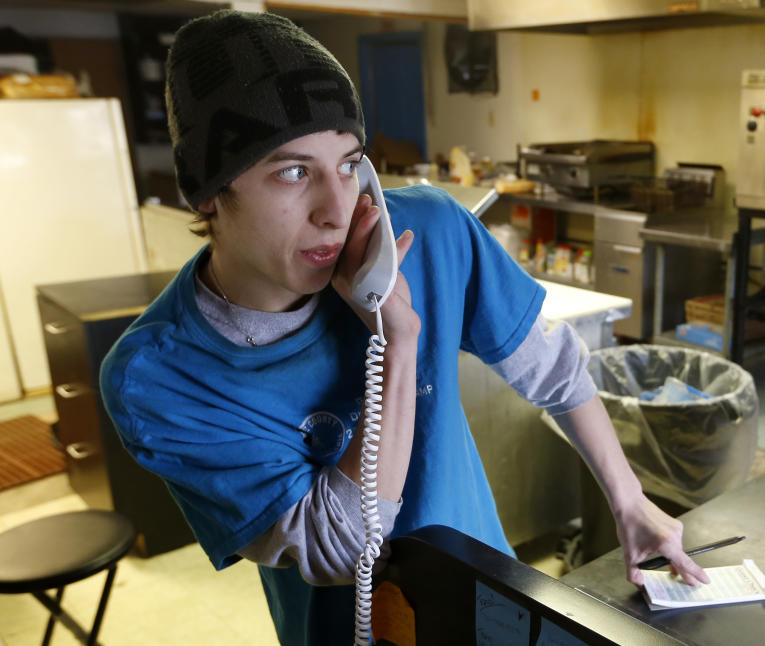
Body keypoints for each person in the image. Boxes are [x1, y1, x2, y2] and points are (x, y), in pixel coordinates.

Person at [100, 9, 709, 645]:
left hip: (494, 603)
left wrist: (628, 496)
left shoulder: (432, 230)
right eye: (292, 170)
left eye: (348, 162)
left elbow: (554, 369)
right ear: (206, 191)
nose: (337, 212)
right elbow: (341, 549)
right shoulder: (158, 377)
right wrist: (396, 342)